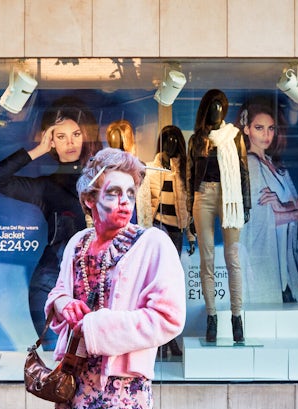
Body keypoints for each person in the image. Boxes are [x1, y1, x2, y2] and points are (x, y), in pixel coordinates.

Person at [41, 148, 186, 409]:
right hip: (74, 396)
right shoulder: (77, 243)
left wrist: (95, 328)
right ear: (89, 199)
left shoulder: (152, 244)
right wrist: (62, 304)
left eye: (130, 193)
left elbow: (168, 318)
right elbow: (59, 291)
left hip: (123, 404)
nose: (124, 202)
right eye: (112, 193)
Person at [0, 96, 102, 350]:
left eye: (76, 134)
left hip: (97, 284)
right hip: (50, 284)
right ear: (51, 141)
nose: (70, 142)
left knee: (93, 360)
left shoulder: (103, 181)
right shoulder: (48, 186)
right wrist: (39, 149)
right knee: (56, 365)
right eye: (60, 136)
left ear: (86, 136)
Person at [187, 89, 250, 344]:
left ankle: (236, 316)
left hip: (230, 196)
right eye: (212, 106)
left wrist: (246, 204)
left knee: (232, 258)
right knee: (207, 259)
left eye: (220, 106)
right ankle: (211, 316)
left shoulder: (234, 137)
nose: (217, 110)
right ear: (205, 109)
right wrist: (189, 209)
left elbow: (243, 171)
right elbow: (190, 177)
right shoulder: (197, 139)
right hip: (203, 196)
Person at [238, 99, 298, 304]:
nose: (266, 135)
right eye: (259, 128)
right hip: (265, 259)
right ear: (247, 130)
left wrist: (280, 207)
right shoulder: (250, 164)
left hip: (285, 259)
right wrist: (288, 211)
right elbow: (259, 220)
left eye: (270, 129)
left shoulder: (276, 165)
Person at [147, 124, 194, 358]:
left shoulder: (183, 171)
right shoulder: (152, 168)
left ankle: (171, 339)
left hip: (176, 230)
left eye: (175, 141)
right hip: (157, 227)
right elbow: (146, 201)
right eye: (167, 140)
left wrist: (191, 234)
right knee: (158, 284)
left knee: (171, 285)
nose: (171, 145)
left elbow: (188, 205)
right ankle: (159, 341)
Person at [105, 119, 152, 227]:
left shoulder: (140, 169)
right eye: (115, 144)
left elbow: (145, 206)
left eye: (121, 143)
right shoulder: (103, 169)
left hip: (133, 219)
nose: (118, 148)